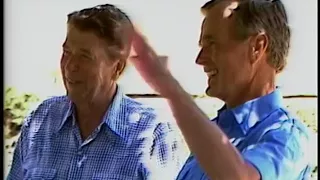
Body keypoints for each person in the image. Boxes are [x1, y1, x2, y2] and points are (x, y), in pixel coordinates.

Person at [130, 0, 312, 179]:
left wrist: (171, 89)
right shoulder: (215, 133)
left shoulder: (287, 138)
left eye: (212, 44)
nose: (200, 59)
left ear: (257, 47)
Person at [7, 4, 187, 180]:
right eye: (67, 52)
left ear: (117, 68)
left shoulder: (153, 133)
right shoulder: (40, 121)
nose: (70, 66)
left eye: (85, 56)